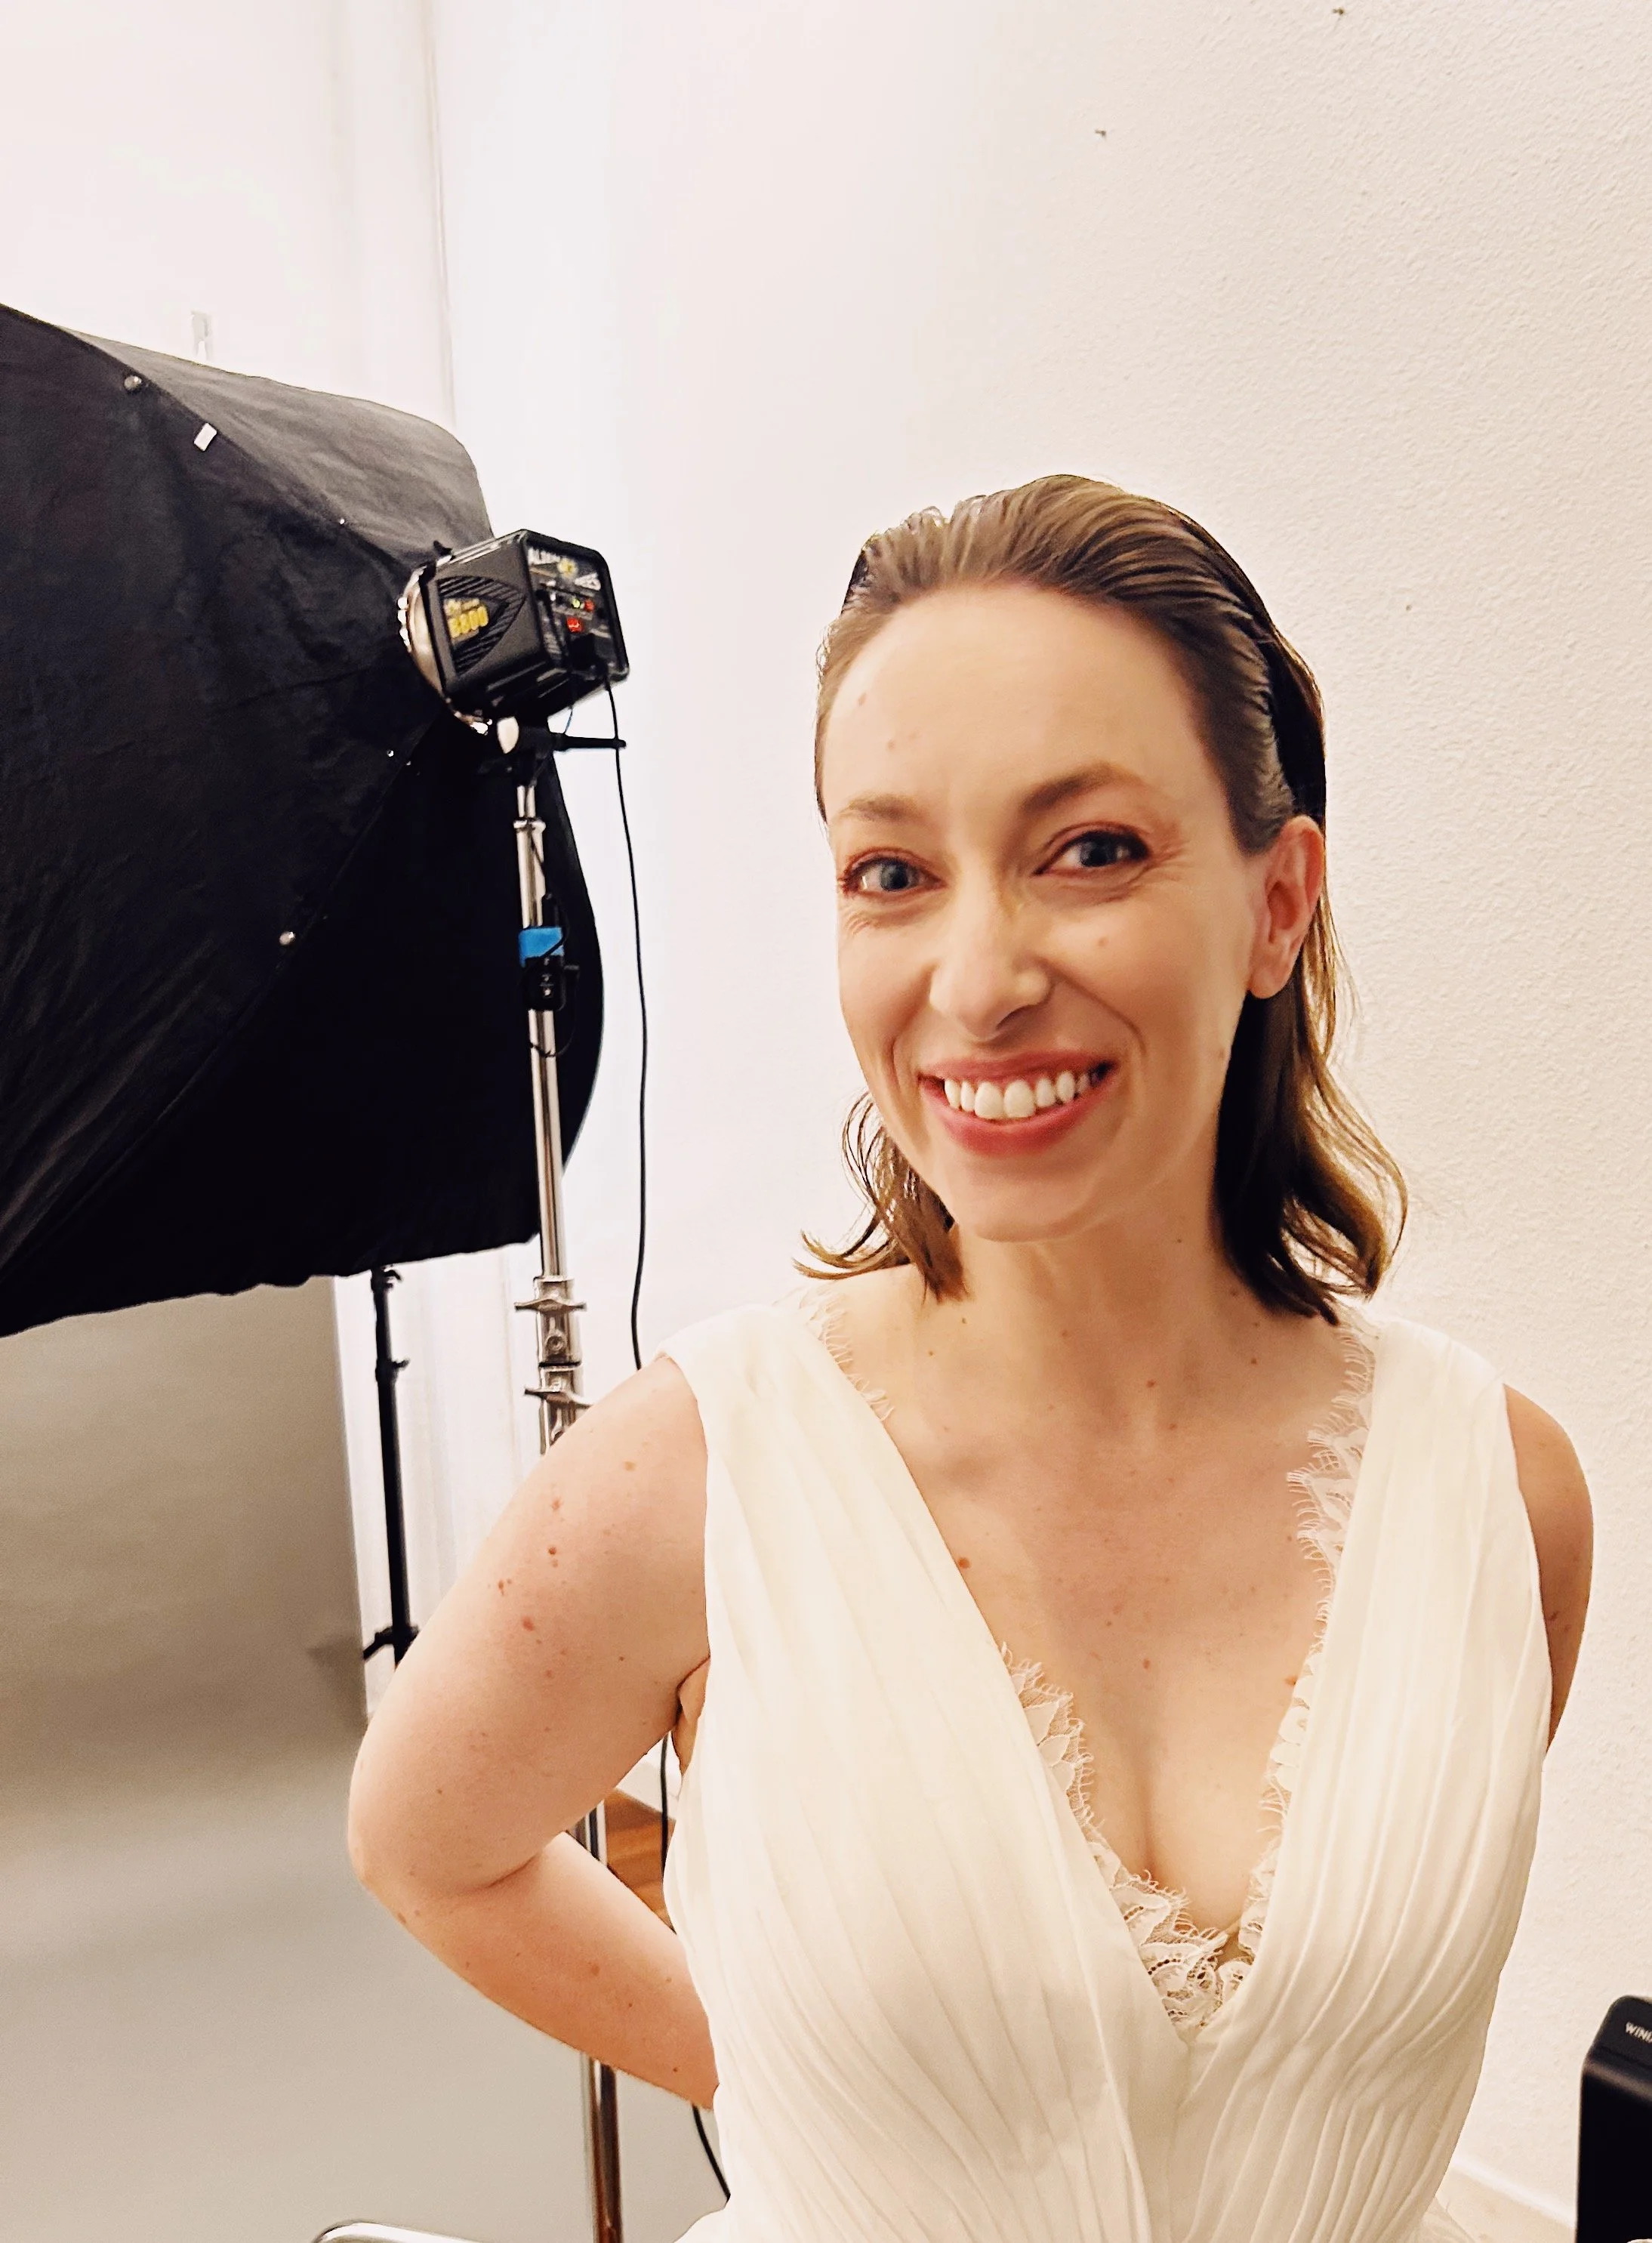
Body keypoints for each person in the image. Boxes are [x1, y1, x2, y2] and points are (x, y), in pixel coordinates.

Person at [348, 475, 1593, 2242]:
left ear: (1274, 901)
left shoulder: (1498, 1497)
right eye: (891, 873)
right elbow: (428, 1845)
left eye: (1089, 850)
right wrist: (802, 2077)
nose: (979, 976)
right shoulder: (694, 1477)